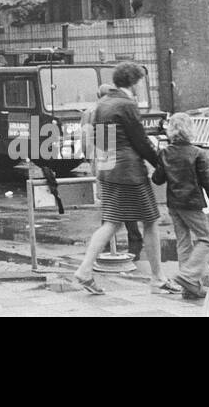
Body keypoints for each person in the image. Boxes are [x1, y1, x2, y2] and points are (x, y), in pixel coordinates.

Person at [72, 61, 172, 295]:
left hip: (108, 168)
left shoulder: (103, 103)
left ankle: (85, 271)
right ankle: (157, 279)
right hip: (129, 171)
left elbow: (102, 140)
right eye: (140, 81)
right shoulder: (127, 104)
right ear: (135, 81)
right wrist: (162, 164)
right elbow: (141, 141)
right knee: (149, 220)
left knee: (112, 222)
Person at [151, 112, 209, 300]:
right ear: (190, 129)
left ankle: (190, 289)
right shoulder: (197, 153)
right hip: (191, 204)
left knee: (184, 242)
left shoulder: (165, 152)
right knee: (207, 239)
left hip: (174, 204)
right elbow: (208, 182)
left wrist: (160, 162)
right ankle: (188, 277)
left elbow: (157, 180)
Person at [81, 84, 141, 259]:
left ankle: (108, 243)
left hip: (104, 164)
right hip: (122, 164)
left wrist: (91, 159)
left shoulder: (91, 112)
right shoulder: (118, 110)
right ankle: (134, 239)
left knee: (110, 203)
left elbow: (86, 141)